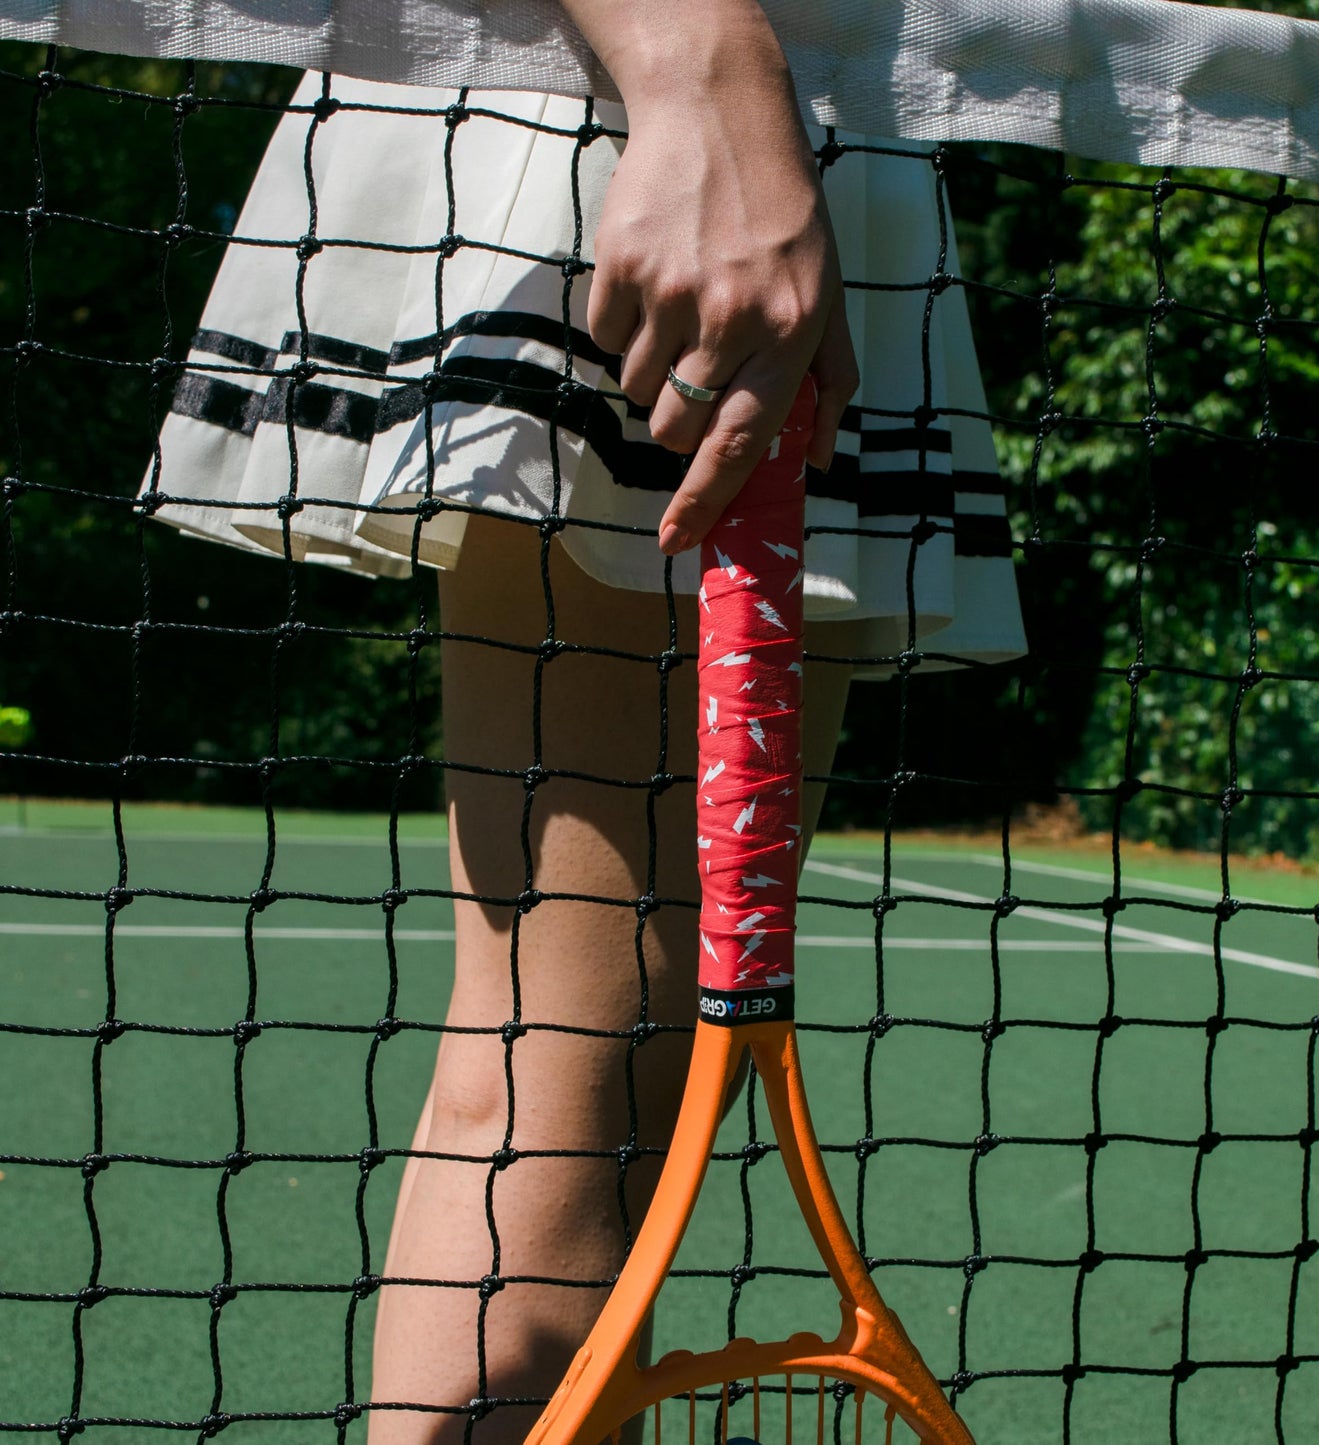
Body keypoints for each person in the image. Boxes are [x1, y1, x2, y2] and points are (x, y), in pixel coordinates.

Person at [142, 2, 1024, 1439]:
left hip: (763, 125)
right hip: (682, 127)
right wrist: (701, 74)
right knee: (580, 1072)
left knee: (595, 1067)